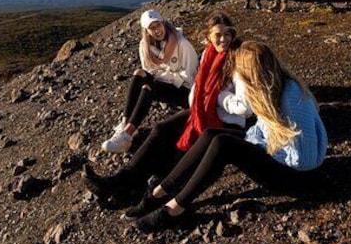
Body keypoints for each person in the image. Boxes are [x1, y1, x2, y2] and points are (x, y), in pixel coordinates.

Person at [130, 41, 328, 233]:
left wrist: (264, 150)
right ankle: (159, 192)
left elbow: (305, 160)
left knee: (223, 145)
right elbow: (263, 128)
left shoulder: (290, 98)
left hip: (296, 176)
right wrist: (255, 143)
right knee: (211, 134)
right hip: (280, 154)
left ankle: (174, 209)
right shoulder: (273, 86)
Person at [83, 13, 249, 200]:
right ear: (208, 37)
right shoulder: (208, 56)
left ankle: (146, 187)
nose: (223, 39)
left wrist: (216, 96)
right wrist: (201, 97)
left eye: (227, 34)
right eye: (217, 35)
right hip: (201, 110)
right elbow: (197, 87)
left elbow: (245, 107)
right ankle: (118, 181)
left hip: (225, 120)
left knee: (178, 149)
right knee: (161, 129)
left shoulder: (239, 59)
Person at [101, 9, 199, 153]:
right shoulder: (145, 46)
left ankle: (127, 136)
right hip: (167, 82)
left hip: (186, 91)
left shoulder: (182, 44)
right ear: (146, 31)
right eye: (152, 28)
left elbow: (190, 77)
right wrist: (161, 77)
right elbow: (148, 70)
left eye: (158, 25)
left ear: (163, 23)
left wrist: (163, 77)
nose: (157, 30)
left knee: (148, 87)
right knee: (139, 74)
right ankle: (125, 123)